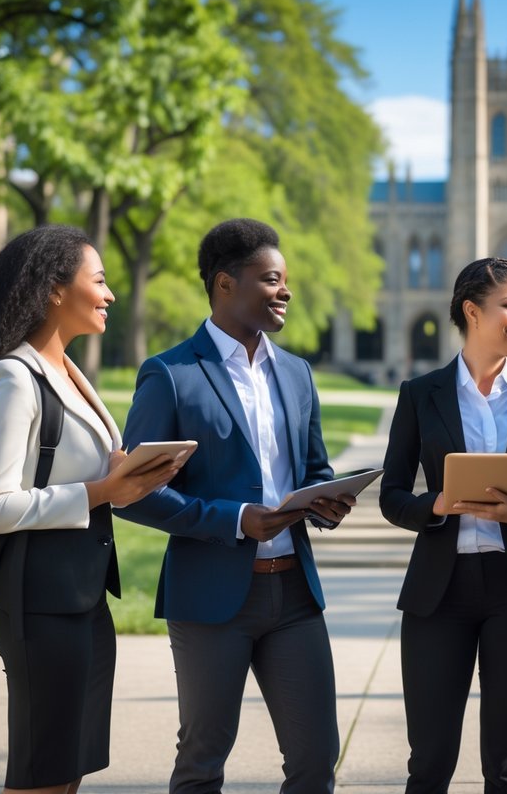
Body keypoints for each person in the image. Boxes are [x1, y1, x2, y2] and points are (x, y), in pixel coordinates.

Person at [115, 218, 355, 794]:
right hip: (211, 599)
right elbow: (131, 493)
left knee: (316, 759)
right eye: (271, 279)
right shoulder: (170, 374)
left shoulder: (296, 374)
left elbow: (314, 470)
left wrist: (326, 499)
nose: (286, 291)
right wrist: (233, 519)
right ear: (226, 284)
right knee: (202, 761)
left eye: (285, 280)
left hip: (294, 594)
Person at [0, 225, 178, 794]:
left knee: (66, 772)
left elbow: (71, 473)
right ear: (53, 289)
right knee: (39, 774)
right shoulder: (12, 378)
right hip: (37, 602)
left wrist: (127, 475)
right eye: (98, 281)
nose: (110, 294)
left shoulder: (71, 374)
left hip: (84, 597)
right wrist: (103, 493)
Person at [379, 257, 507, 794]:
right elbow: (392, 497)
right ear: (472, 311)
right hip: (438, 594)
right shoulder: (421, 395)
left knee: (505, 769)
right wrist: (436, 506)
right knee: (430, 763)